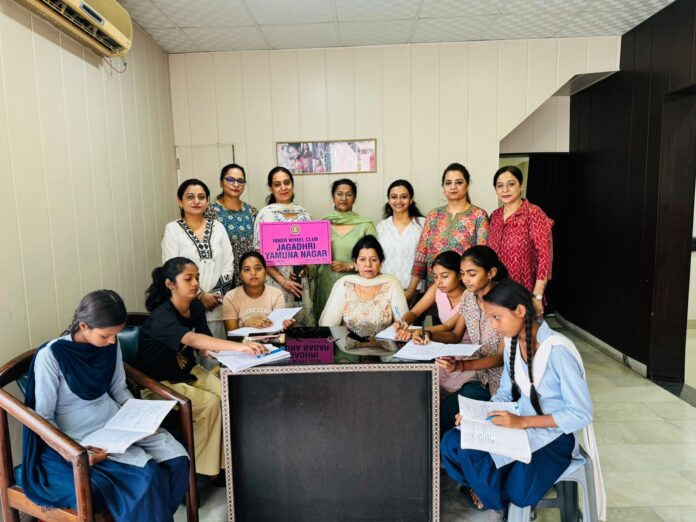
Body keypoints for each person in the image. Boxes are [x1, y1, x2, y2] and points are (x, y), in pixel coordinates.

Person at [22, 290, 189, 522]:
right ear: (83, 326)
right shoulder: (51, 356)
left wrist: (143, 419)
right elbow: (44, 417)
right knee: (145, 475)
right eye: (105, 335)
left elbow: (119, 390)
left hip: (115, 423)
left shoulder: (111, 344)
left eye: (116, 335)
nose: (112, 341)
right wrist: (75, 451)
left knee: (178, 457)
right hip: (75, 435)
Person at [440, 279, 599, 514]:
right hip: (519, 425)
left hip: (553, 438)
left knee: (511, 486)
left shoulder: (557, 350)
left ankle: (490, 495)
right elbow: (504, 392)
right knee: (452, 442)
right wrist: (479, 417)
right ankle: (487, 490)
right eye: (490, 318)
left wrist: (522, 422)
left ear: (520, 311)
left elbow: (581, 414)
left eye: (497, 317)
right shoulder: (513, 343)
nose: (494, 326)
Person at [135, 258, 267, 480]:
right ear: (170, 284)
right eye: (188, 278)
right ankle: (198, 475)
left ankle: (225, 466)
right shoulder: (162, 316)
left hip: (188, 373)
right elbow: (193, 339)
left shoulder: (195, 306)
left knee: (228, 393)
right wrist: (241, 347)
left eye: (197, 277)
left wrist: (212, 351)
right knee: (209, 404)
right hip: (159, 383)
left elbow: (204, 342)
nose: (196, 282)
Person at [406, 246, 507, 431]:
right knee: (423, 397)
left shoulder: (504, 301)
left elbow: (500, 358)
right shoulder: (469, 297)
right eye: (463, 274)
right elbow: (455, 335)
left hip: (500, 382)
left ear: (491, 272)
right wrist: (428, 333)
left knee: (445, 412)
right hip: (477, 375)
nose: (466, 279)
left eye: (471, 273)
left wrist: (461, 366)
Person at [162, 178, 234, 339]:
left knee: (217, 355)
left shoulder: (218, 227)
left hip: (217, 305)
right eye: (190, 197)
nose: (196, 201)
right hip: (186, 306)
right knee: (192, 355)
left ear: (207, 201)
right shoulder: (173, 229)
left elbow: (228, 264)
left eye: (201, 197)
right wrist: (200, 296)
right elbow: (171, 268)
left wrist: (213, 296)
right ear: (180, 201)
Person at [406, 163, 489, 300]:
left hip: (466, 291)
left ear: (467, 185)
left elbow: (481, 257)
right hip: (436, 288)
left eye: (459, 182)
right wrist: (410, 290)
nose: (453, 187)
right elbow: (421, 254)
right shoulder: (434, 215)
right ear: (443, 187)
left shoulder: (478, 215)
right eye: (448, 183)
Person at [488, 165, 554, 316]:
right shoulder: (495, 216)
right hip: (496, 294)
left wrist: (537, 295)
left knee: (525, 338)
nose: (505, 190)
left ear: (521, 185)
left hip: (524, 293)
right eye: (500, 186)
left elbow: (545, 256)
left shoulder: (534, 214)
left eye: (511, 184)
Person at [253, 167, 316, 326]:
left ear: (292, 185)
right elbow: (259, 257)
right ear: (271, 188)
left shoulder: (304, 214)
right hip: (275, 281)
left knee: (302, 331)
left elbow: (311, 251)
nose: (283, 188)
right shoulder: (265, 215)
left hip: (300, 282)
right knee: (278, 327)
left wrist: (306, 268)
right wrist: (282, 280)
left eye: (287, 183)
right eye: (277, 184)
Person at [319, 235, 408, 342]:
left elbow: (403, 325)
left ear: (381, 262)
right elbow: (329, 325)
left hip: (385, 348)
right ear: (355, 262)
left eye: (374, 260)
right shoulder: (345, 284)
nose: (368, 264)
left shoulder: (391, 284)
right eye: (362, 259)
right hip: (349, 349)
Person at [314, 179, 377, 319]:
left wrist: (349, 266)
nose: (343, 198)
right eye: (339, 194)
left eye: (348, 194)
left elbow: (374, 261)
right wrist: (305, 269)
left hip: (355, 287)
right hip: (326, 286)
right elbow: (314, 263)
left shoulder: (365, 225)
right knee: (327, 329)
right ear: (333, 197)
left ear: (354, 198)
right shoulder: (322, 226)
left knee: (353, 330)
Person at [376, 179, 425, 305]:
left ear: (411, 200)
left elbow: (425, 257)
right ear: (389, 200)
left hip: (417, 290)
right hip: (386, 289)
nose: (398, 201)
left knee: (413, 324)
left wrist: (410, 290)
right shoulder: (380, 227)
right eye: (394, 197)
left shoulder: (423, 225)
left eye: (403, 197)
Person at [208, 163, 258, 287]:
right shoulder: (209, 212)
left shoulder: (252, 212)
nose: (236, 185)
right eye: (230, 180)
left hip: (249, 277)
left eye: (241, 181)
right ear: (221, 182)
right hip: (220, 278)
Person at [222, 251, 295, 331]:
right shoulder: (230, 297)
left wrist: (285, 325)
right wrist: (245, 324)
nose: (253, 273)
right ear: (241, 276)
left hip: (271, 342)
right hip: (242, 343)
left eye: (258, 268)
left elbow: (278, 331)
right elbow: (232, 337)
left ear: (265, 272)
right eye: (247, 270)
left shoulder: (276, 294)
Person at [393, 251, 464, 330]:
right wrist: (403, 322)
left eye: (445, 276)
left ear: (460, 275)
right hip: (444, 340)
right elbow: (414, 312)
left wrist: (414, 332)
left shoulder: (470, 296)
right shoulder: (437, 289)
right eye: (435, 277)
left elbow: (447, 328)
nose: (438, 282)